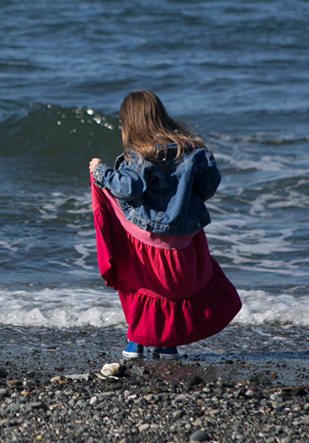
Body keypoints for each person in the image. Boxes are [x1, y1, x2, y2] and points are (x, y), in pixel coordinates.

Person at [89, 90, 241, 360]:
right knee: (177, 288)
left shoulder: (139, 154)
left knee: (139, 282)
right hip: (185, 236)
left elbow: (128, 187)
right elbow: (207, 188)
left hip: (149, 237)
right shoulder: (193, 149)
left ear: (130, 123)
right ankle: (167, 344)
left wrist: (100, 170)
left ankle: (136, 342)